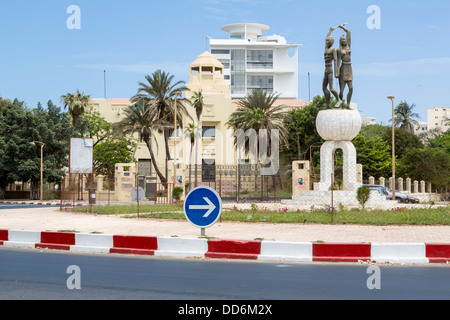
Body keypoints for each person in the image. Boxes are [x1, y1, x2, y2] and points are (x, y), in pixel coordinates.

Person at [323, 27, 341, 109]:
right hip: (325, 69)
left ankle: (338, 99)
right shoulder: (326, 48)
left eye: (328, 41)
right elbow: (325, 38)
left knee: (331, 88)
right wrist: (330, 30)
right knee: (324, 87)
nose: (326, 42)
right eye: (326, 41)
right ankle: (327, 105)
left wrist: (336, 72)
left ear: (331, 42)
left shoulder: (333, 49)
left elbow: (335, 60)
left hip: (330, 69)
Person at [336, 24, 353, 109]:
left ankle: (348, 104)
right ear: (340, 41)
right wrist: (337, 72)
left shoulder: (348, 46)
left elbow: (349, 32)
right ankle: (339, 103)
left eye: (345, 39)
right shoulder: (339, 50)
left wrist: (342, 27)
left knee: (351, 88)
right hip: (342, 69)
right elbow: (338, 62)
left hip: (349, 68)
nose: (344, 41)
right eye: (342, 40)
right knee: (341, 90)